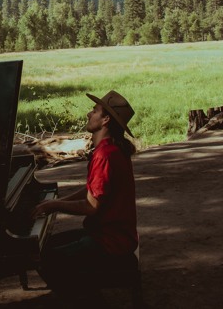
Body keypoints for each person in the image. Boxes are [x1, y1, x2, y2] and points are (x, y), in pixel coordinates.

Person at [32, 90, 138, 305]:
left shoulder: (105, 155)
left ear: (106, 119)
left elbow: (91, 206)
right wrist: (58, 201)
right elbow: (93, 190)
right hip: (113, 233)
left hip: (110, 241)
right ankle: (84, 292)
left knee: (44, 258)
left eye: (95, 110)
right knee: (44, 245)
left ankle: (83, 299)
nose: (89, 114)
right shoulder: (110, 149)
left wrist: (55, 205)